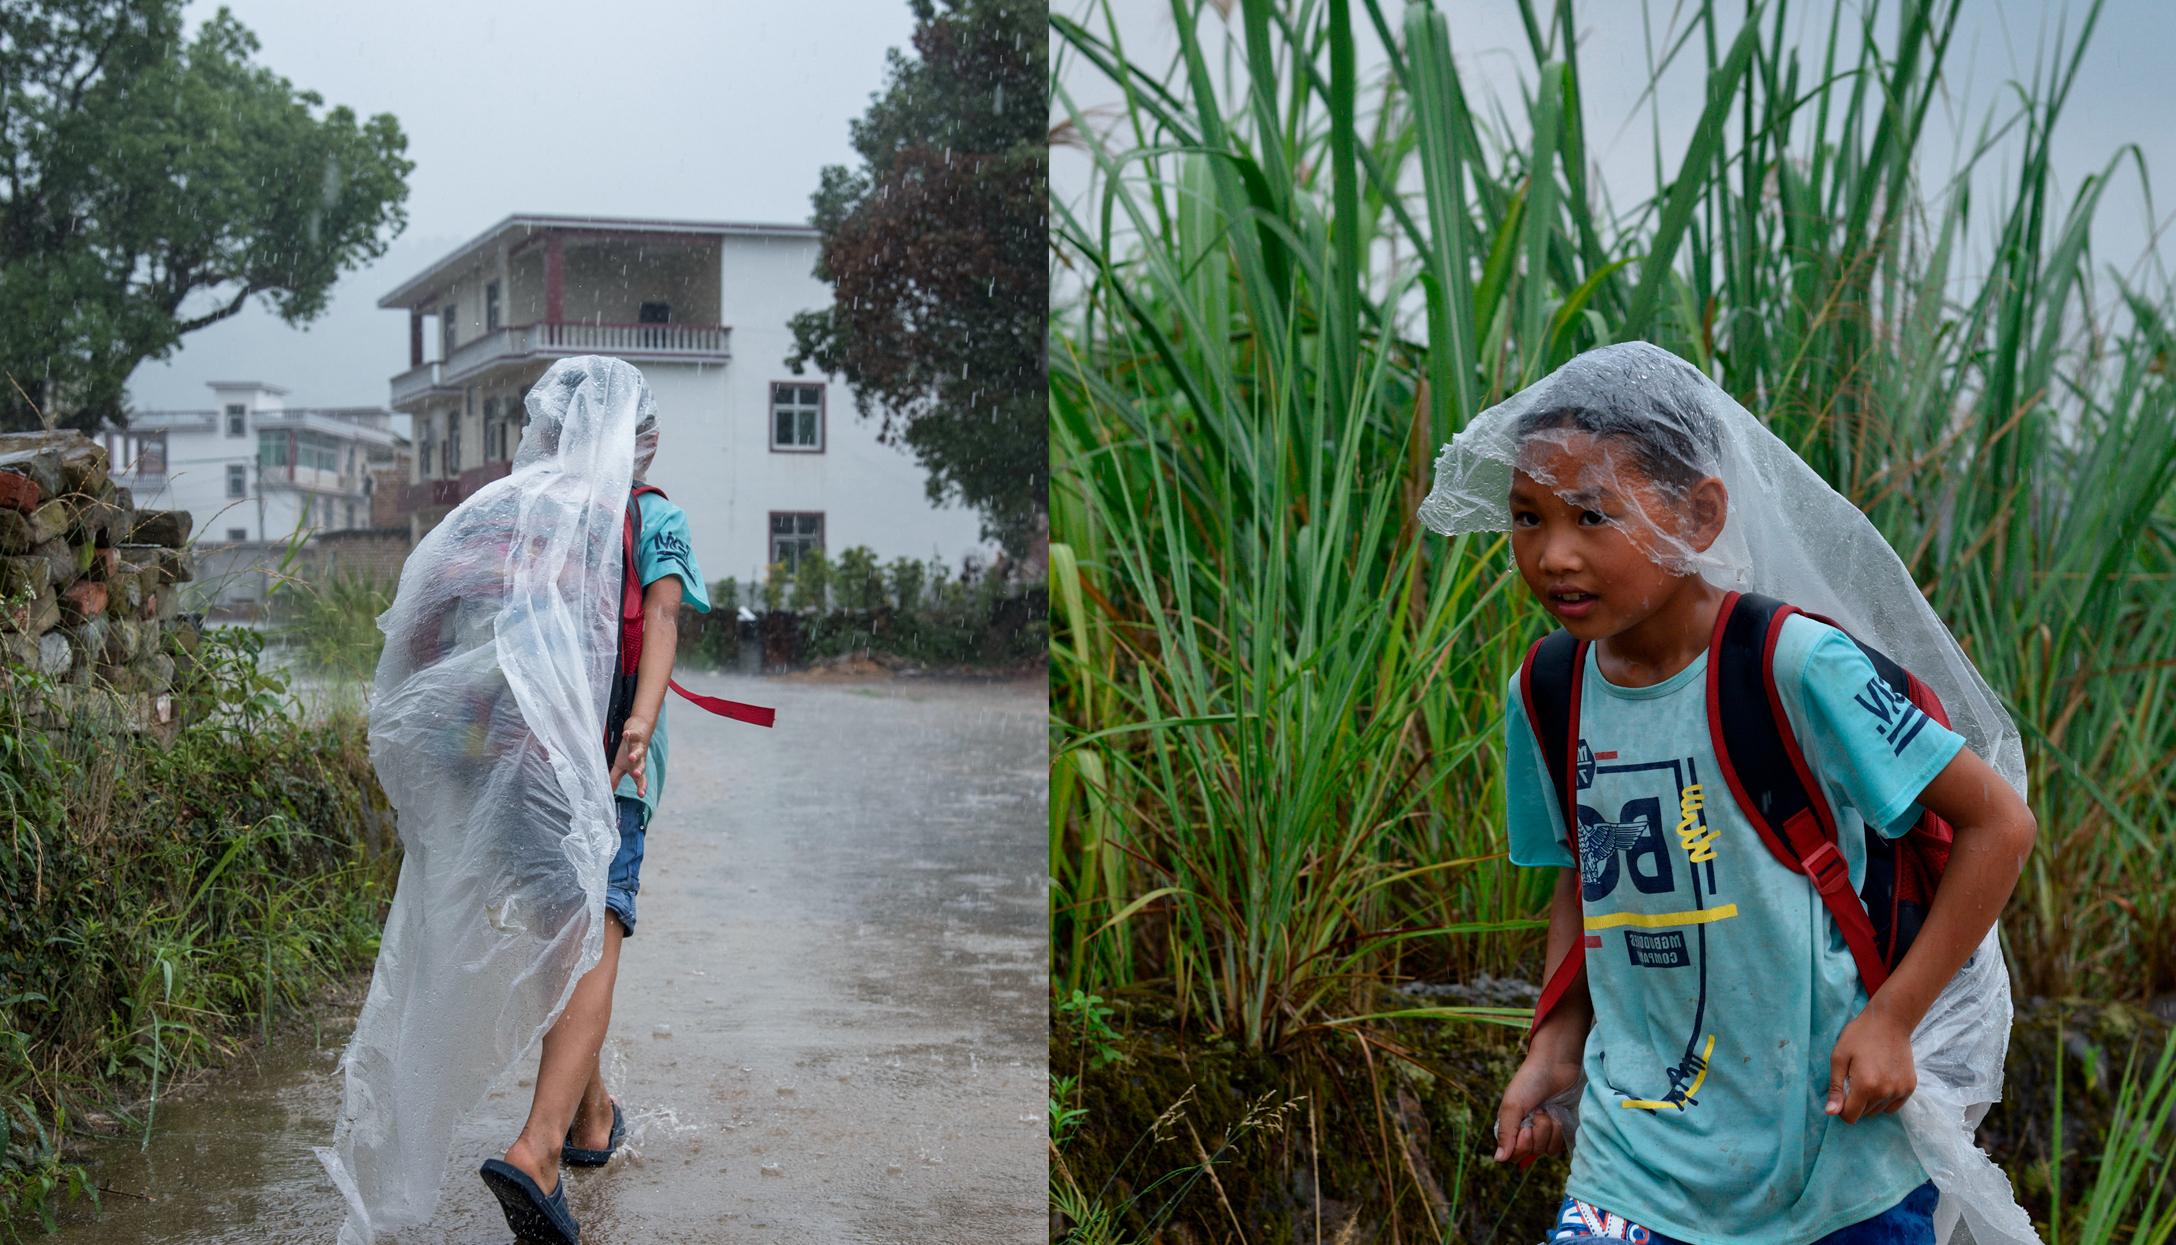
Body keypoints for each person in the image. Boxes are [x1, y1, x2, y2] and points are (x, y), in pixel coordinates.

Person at [1416, 343, 2039, 1245]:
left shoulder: (1796, 664)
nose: (1552, 555)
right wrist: (1554, 1046)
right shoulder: (1548, 689)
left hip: (1830, 1158)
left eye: (1593, 515)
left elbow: (1999, 823)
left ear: (1700, 514)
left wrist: (1892, 1018)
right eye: (1526, 516)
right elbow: (1587, 880)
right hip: (1635, 1160)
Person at [477, 365, 712, 1245]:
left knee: (560, 937)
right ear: (636, 435)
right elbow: (664, 617)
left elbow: (484, 624)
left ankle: (591, 1116)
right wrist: (642, 725)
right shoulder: (656, 514)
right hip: (609, 768)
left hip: (534, 763)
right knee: (596, 935)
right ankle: (539, 1147)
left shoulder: (530, 515)